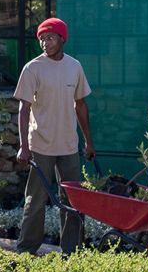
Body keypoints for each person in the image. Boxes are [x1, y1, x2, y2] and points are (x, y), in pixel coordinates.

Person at [13, 17, 95, 255]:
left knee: (73, 201)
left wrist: (89, 141)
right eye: (41, 39)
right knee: (35, 201)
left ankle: (73, 252)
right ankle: (27, 251)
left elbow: (80, 105)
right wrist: (23, 146)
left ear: (62, 38)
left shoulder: (74, 67)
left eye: (49, 38)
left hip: (69, 146)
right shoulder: (33, 68)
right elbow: (24, 108)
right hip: (40, 146)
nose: (45, 43)